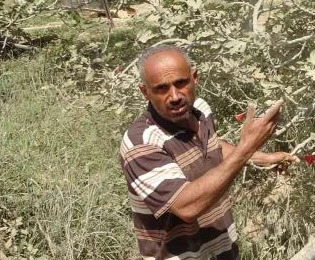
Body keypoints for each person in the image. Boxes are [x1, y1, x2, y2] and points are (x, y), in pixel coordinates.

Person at [119, 44, 298, 260]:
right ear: (145, 92)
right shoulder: (140, 142)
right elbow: (186, 206)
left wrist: (261, 158)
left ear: (194, 78)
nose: (174, 96)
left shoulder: (201, 109)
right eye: (161, 88)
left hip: (222, 250)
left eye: (181, 83)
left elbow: (214, 146)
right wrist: (247, 148)